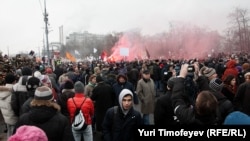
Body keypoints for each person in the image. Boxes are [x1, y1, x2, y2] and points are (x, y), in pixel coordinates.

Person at [0, 73, 18, 139]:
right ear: (14, 81)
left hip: (7, 118)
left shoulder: (1, 92)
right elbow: (15, 107)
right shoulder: (13, 92)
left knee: (9, 134)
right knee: (14, 135)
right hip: (14, 118)